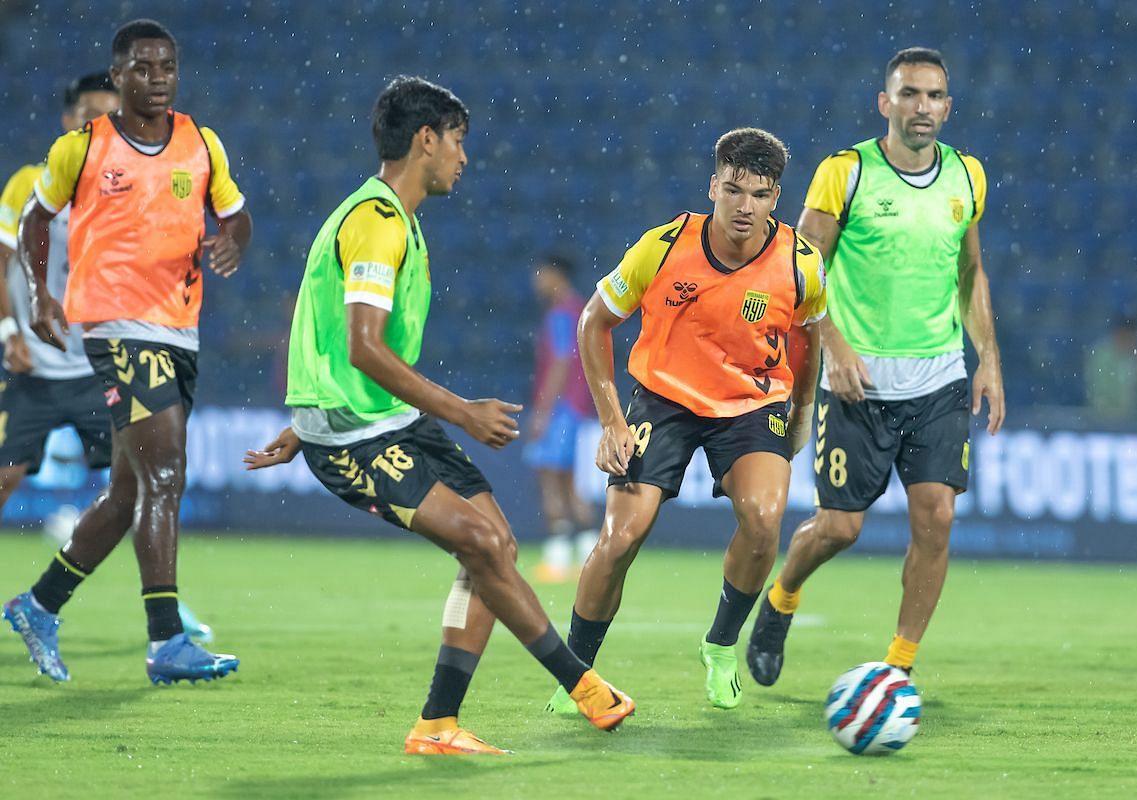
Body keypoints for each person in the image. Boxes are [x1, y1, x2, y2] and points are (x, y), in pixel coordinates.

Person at [244, 75, 635, 756]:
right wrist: (460, 412)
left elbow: (333, 342)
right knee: (483, 546)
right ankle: (583, 687)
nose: (463, 156)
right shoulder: (376, 223)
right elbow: (365, 348)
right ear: (424, 139)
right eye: (456, 140)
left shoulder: (398, 222)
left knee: (496, 546)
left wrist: (300, 421)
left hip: (380, 420)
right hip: (355, 435)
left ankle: (437, 725)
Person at [544, 127, 827, 713]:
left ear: (777, 198)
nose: (745, 206)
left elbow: (809, 337)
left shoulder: (801, 263)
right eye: (734, 190)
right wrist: (611, 421)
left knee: (765, 518)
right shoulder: (664, 247)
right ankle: (577, 676)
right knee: (621, 538)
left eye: (761, 194)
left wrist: (802, 409)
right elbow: (594, 322)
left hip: (751, 406)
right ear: (713, 187)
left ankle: (721, 645)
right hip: (663, 399)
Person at [745, 47, 1005, 685]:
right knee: (839, 528)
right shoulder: (847, 172)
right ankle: (782, 596)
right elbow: (797, 270)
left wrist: (988, 359)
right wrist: (832, 345)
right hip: (858, 383)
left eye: (935, 96)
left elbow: (969, 273)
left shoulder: (967, 177)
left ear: (949, 106)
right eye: (910, 94)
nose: (923, 107)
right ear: (884, 103)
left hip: (939, 377)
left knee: (936, 517)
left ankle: (897, 669)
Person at [3, 19, 250, 684]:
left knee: (127, 489)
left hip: (180, 329)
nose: (158, 77)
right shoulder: (81, 149)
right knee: (166, 472)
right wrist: (42, 298)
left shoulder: (203, 144)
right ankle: (166, 639)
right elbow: (33, 221)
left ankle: (39, 604)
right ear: (118, 78)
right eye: (142, 67)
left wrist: (233, 241)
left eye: (166, 66)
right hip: (115, 326)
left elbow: (235, 213)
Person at [525, 254, 598, 583]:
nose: (536, 280)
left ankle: (557, 556)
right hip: (577, 406)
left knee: (552, 480)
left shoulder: (560, 314)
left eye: (541, 273)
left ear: (556, 275)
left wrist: (542, 411)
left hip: (561, 409)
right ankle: (588, 553)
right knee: (571, 481)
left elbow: (560, 362)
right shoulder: (581, 309)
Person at [1084, 316, 1137, 418]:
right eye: (1130, 337)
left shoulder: (1133, 357)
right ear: (1121, 334)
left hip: (1129, 420)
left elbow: (1135, 389)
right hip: (1101, 418)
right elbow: (1098, 390)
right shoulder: (1102, 354)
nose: (1133, 342)